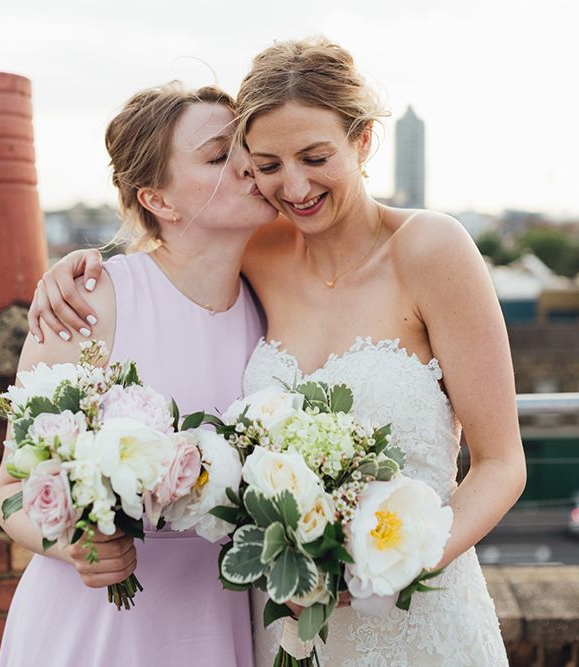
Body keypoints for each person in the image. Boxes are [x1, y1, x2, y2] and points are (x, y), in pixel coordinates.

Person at [29, 38, 526, 666]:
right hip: (285, 624)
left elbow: (502, 464)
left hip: (418, 617)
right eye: (266, 164)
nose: (294, 186)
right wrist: (78, 271)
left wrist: (386, 567)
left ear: (364, 141)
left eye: (316, 157)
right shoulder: (259, 253)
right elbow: (174, 251)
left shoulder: (432, 248)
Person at [0, 83, 278, 667]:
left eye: (247, 145)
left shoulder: (271, 305)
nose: (251, 165)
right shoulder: (90, 301)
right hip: (95, 628)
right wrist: (74, 544)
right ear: (160, 201)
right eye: (219, 154)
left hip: (216, 623)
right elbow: (9, 492)